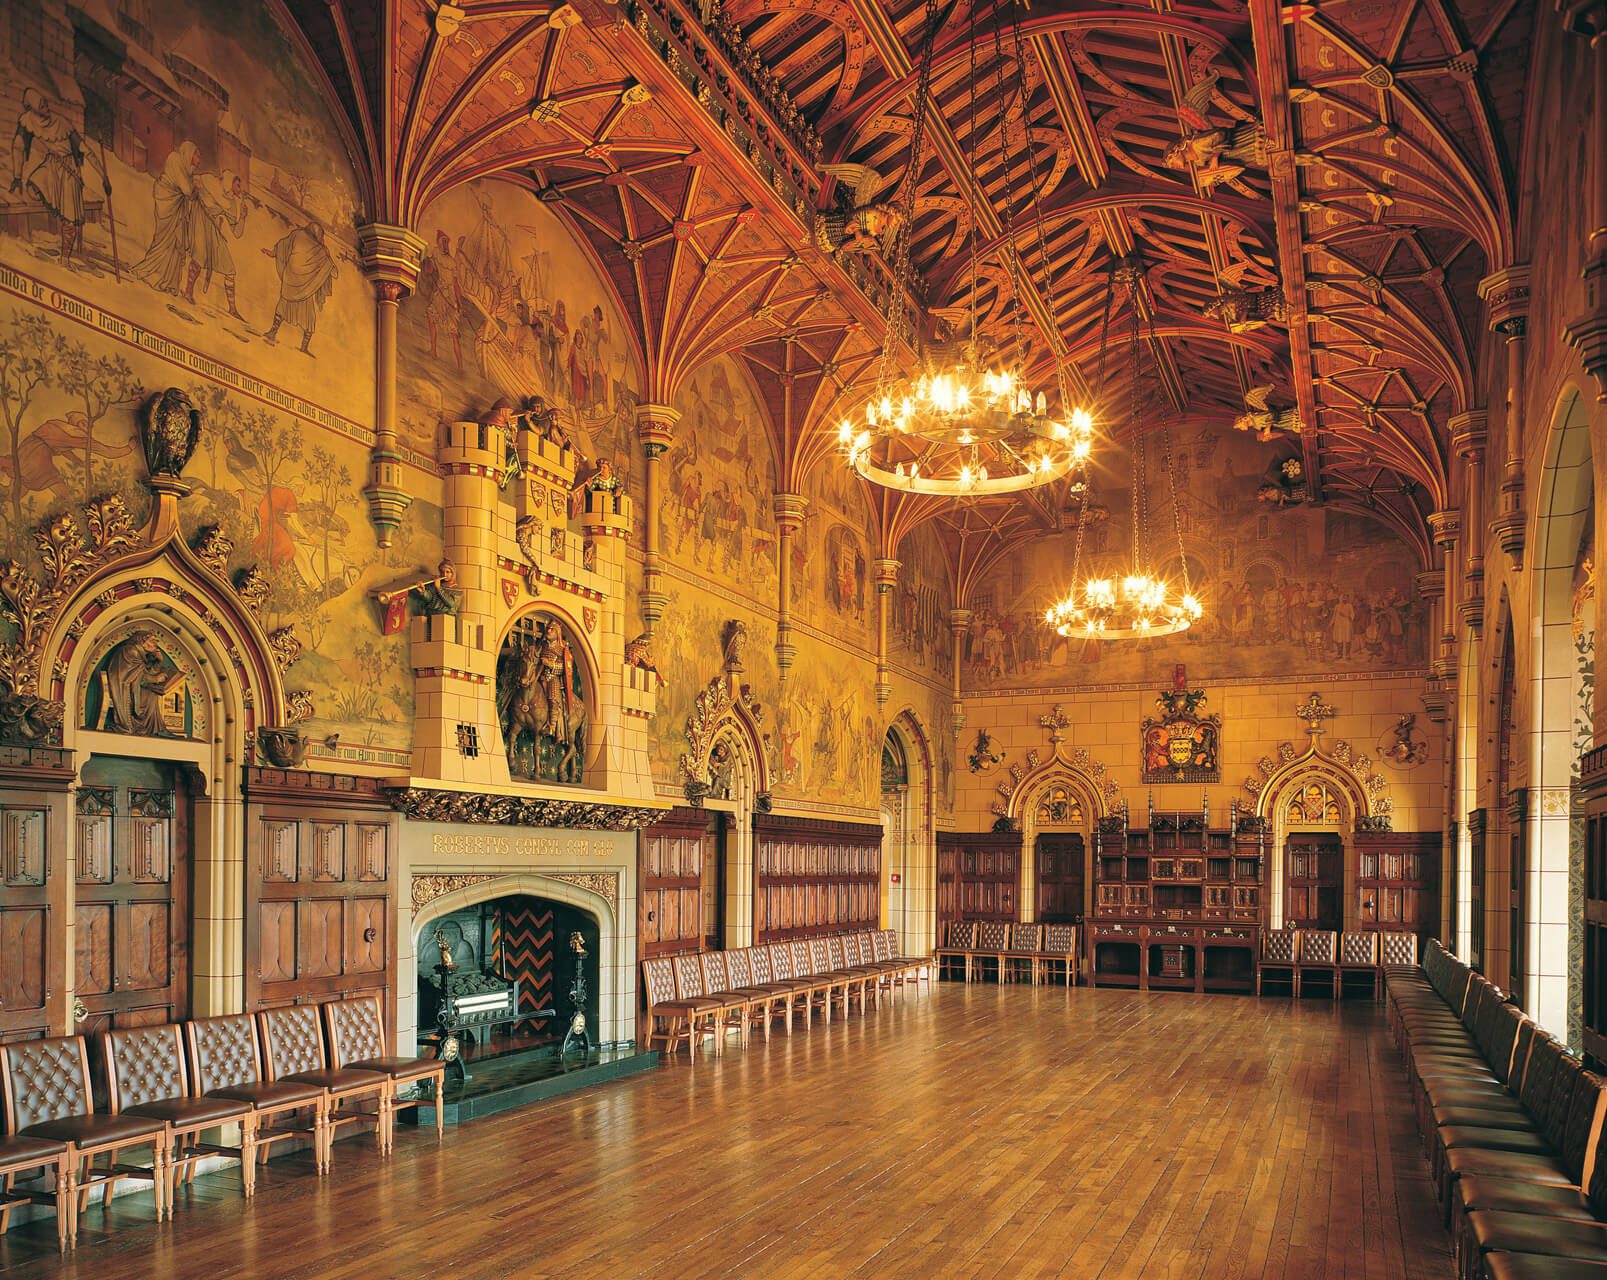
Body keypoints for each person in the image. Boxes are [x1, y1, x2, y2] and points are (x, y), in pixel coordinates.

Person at [9, 89, 109, 267]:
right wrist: (16, 176)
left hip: (69, 171)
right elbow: (18, 147)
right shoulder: (28, 120)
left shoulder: (62, 123)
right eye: (41, 105)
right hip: (50, 167)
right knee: (33, 187)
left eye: (46, 103)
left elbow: (85, 149)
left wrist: (104, 177)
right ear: (32, 107)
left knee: (69, 219)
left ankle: (65, 258)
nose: (46, 107)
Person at [133, 140, 206, 297]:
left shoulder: (187, 168)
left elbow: (189, 192)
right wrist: (195, 187)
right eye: (197, 156)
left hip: (176, 205)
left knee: (173, 244)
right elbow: (187, 190)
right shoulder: (175, 159)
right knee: (163, 241)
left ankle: (169, 282)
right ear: (189, 153)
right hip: (167, 202)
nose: (199, 161)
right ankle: (153, 274)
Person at [262, 222, 338, 353]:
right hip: (305, 289)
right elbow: (334, 273)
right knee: (308, 318)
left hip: (291, 282)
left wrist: (272, 253)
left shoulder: (297, 234)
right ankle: (303, 347)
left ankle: (272, 333)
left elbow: (283, 245)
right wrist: (328, 255)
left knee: (283, 306)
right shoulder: (320, 250)